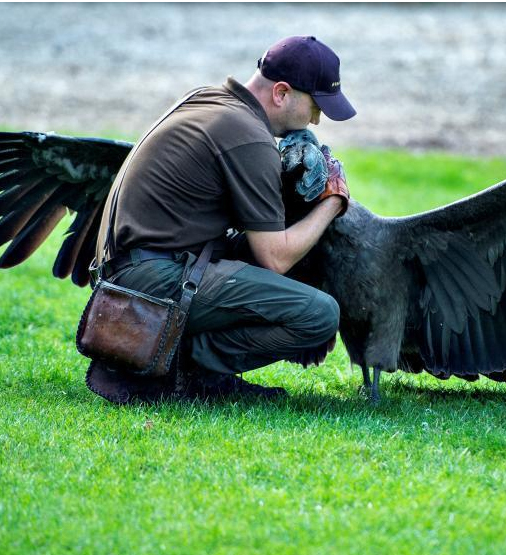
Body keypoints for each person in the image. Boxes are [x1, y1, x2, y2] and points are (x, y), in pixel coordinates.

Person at [86, 36, 356, 403]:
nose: (316, 119)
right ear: (281, 93)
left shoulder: (208, 99)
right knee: (319, 314)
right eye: (314, 105)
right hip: (148, 284)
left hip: (132, 270)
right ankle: (186, 372)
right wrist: (333, 200)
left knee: (305, 253)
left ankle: (166, 356)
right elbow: (274, 258)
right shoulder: (249, 138)